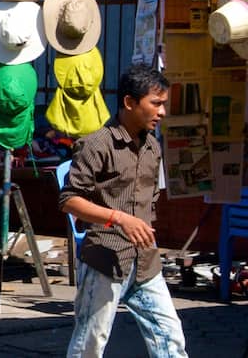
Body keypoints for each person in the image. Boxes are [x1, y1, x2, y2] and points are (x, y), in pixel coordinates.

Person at [59, 63, 187, 357]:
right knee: (89, 345)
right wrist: (118, 218)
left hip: (145, 263)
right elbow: (68, 200)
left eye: (163, 104)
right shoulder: (96, 145)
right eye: (155, 103)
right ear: (129, 102)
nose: (162, 112)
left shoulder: (153, 147)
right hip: (104, 259)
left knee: (171, 338)